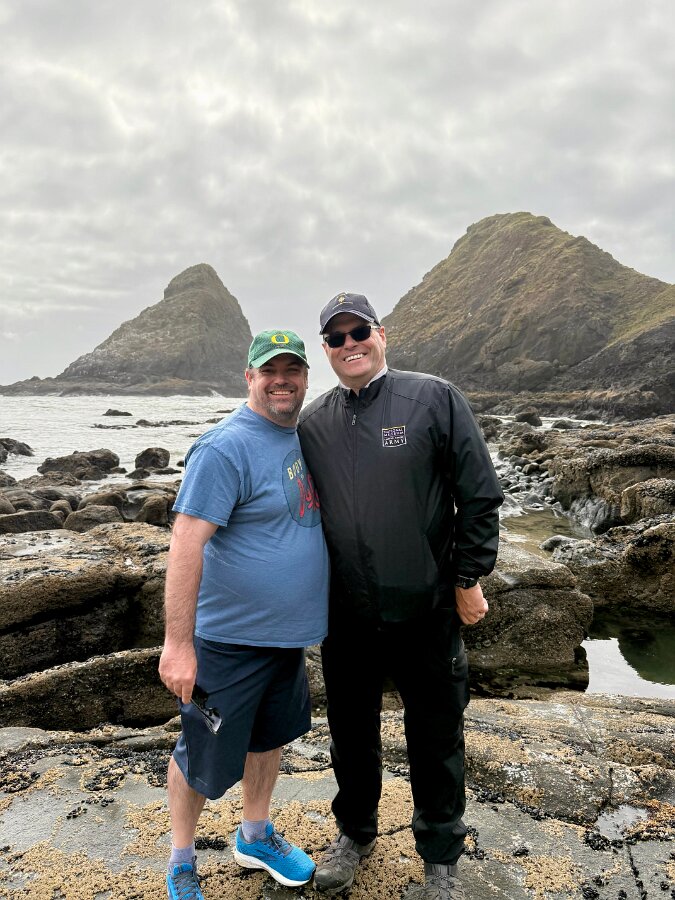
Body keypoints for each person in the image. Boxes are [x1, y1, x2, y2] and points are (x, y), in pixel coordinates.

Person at [297, 293, 504, 900]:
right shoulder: (313, 422)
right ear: (326, 350)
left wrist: (467, 578)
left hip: (426, 610)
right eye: (335, 338)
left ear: (380, 334)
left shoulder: (432, 398)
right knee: (350, 734)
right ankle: (354, 833)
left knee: (436, 737)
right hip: (346, 615)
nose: (349, 345)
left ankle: (440, 857)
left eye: (357, 331)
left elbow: (480, 495)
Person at [159, 329, 329, 900]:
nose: (282, 381)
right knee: (200, 754)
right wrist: (178, 645)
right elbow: (186, 543)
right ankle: (181, 860)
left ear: (305, 378)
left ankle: (254, 835)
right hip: (228, 642)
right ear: (249, 377)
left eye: (292, 371)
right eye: (269, 371)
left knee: (268, 738)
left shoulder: (302, 436)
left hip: (286, 639)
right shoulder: (224, 447)